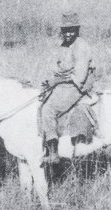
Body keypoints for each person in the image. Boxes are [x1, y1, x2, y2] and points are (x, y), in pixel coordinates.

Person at [40, 11, 96, 164]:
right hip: (64, 83)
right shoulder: (64, 45)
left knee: (47, 109)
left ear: (77, 30)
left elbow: (79, 77)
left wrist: (56, 81)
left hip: (77, 86)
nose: (68, 33)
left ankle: (53, 152)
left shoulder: (81, 46)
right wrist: (51, 80)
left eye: (71, 30)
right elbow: (59, 68)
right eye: (65, 30)